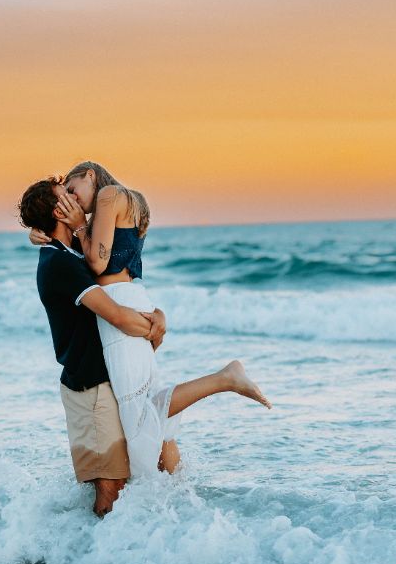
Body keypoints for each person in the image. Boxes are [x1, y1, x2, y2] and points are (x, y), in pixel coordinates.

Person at [33, 161, 271, 479]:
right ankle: (175, 489)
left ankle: (224, 379)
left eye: (73, 191)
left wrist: (77, 227)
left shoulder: (108, 197)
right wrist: (45, 234)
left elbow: (98, 264)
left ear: (89, 175)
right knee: (149, 406)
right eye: (67, 199)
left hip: (119, 304)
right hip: (133, 297)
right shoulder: (127, 201)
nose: (74, 201)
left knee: (137, 411)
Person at [18, 175, 170, 516]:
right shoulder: (60, 263)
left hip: (101, 382)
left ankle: (105, 558)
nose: (76, 201)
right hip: (90, 388)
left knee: (124, 477)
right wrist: (155, 325)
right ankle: (96, 563)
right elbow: (116, 315)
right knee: (109, 487)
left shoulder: (68, 253)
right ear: (59, 211)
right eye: (66, 196)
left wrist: (154, 314)